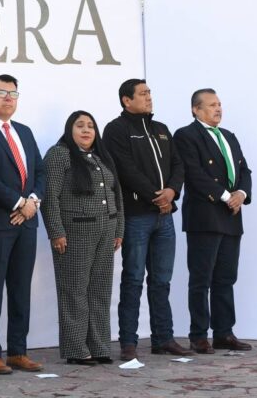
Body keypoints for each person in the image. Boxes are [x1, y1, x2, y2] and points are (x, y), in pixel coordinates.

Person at [103, 79, 190, 360]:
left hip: (165, 217)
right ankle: (128, 342)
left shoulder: (161, 129)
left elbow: (178, 165)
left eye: (149, 92)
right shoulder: (116, 130)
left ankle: (163, 338)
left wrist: (172, 192)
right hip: (137, 216)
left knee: (162, 281)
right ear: (126, 100)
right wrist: (157, 196)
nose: (149, 97)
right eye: (142, 94)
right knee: (133, 279)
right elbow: (124, 170)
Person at [173, 89, 252, 353]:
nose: (218, 109)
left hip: (231, 215)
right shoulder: (186, 135)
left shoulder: (228, 136)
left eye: (219, 104)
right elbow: (193, 173)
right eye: (211, 105)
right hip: (205, 216)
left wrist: (241, 193)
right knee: (201, 278)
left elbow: (244, 169)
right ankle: (198, 335)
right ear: (196, 109)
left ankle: (224, 332)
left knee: (226, 278)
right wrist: (226, 195)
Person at [42, 111, 124, 364]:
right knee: (74, 291)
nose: (87, 130)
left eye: (90, 126)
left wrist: (119, 230)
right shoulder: (59, 154)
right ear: (70, 130)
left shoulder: (102, 156)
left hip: (106, 231)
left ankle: (99, 347)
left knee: (100, 291)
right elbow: (50, 197)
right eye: (80, 126)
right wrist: (56, 232)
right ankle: (77, 350)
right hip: (75, 233)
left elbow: (116, 196)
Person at [0, 74, 46, 374]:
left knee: (20, 289)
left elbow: (40, 172)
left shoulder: (25, 131)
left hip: (27, 223)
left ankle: (18, 351)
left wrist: (32, 202)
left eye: (13, 93)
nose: (8, 97)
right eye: (1, 92)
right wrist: (18, 203)